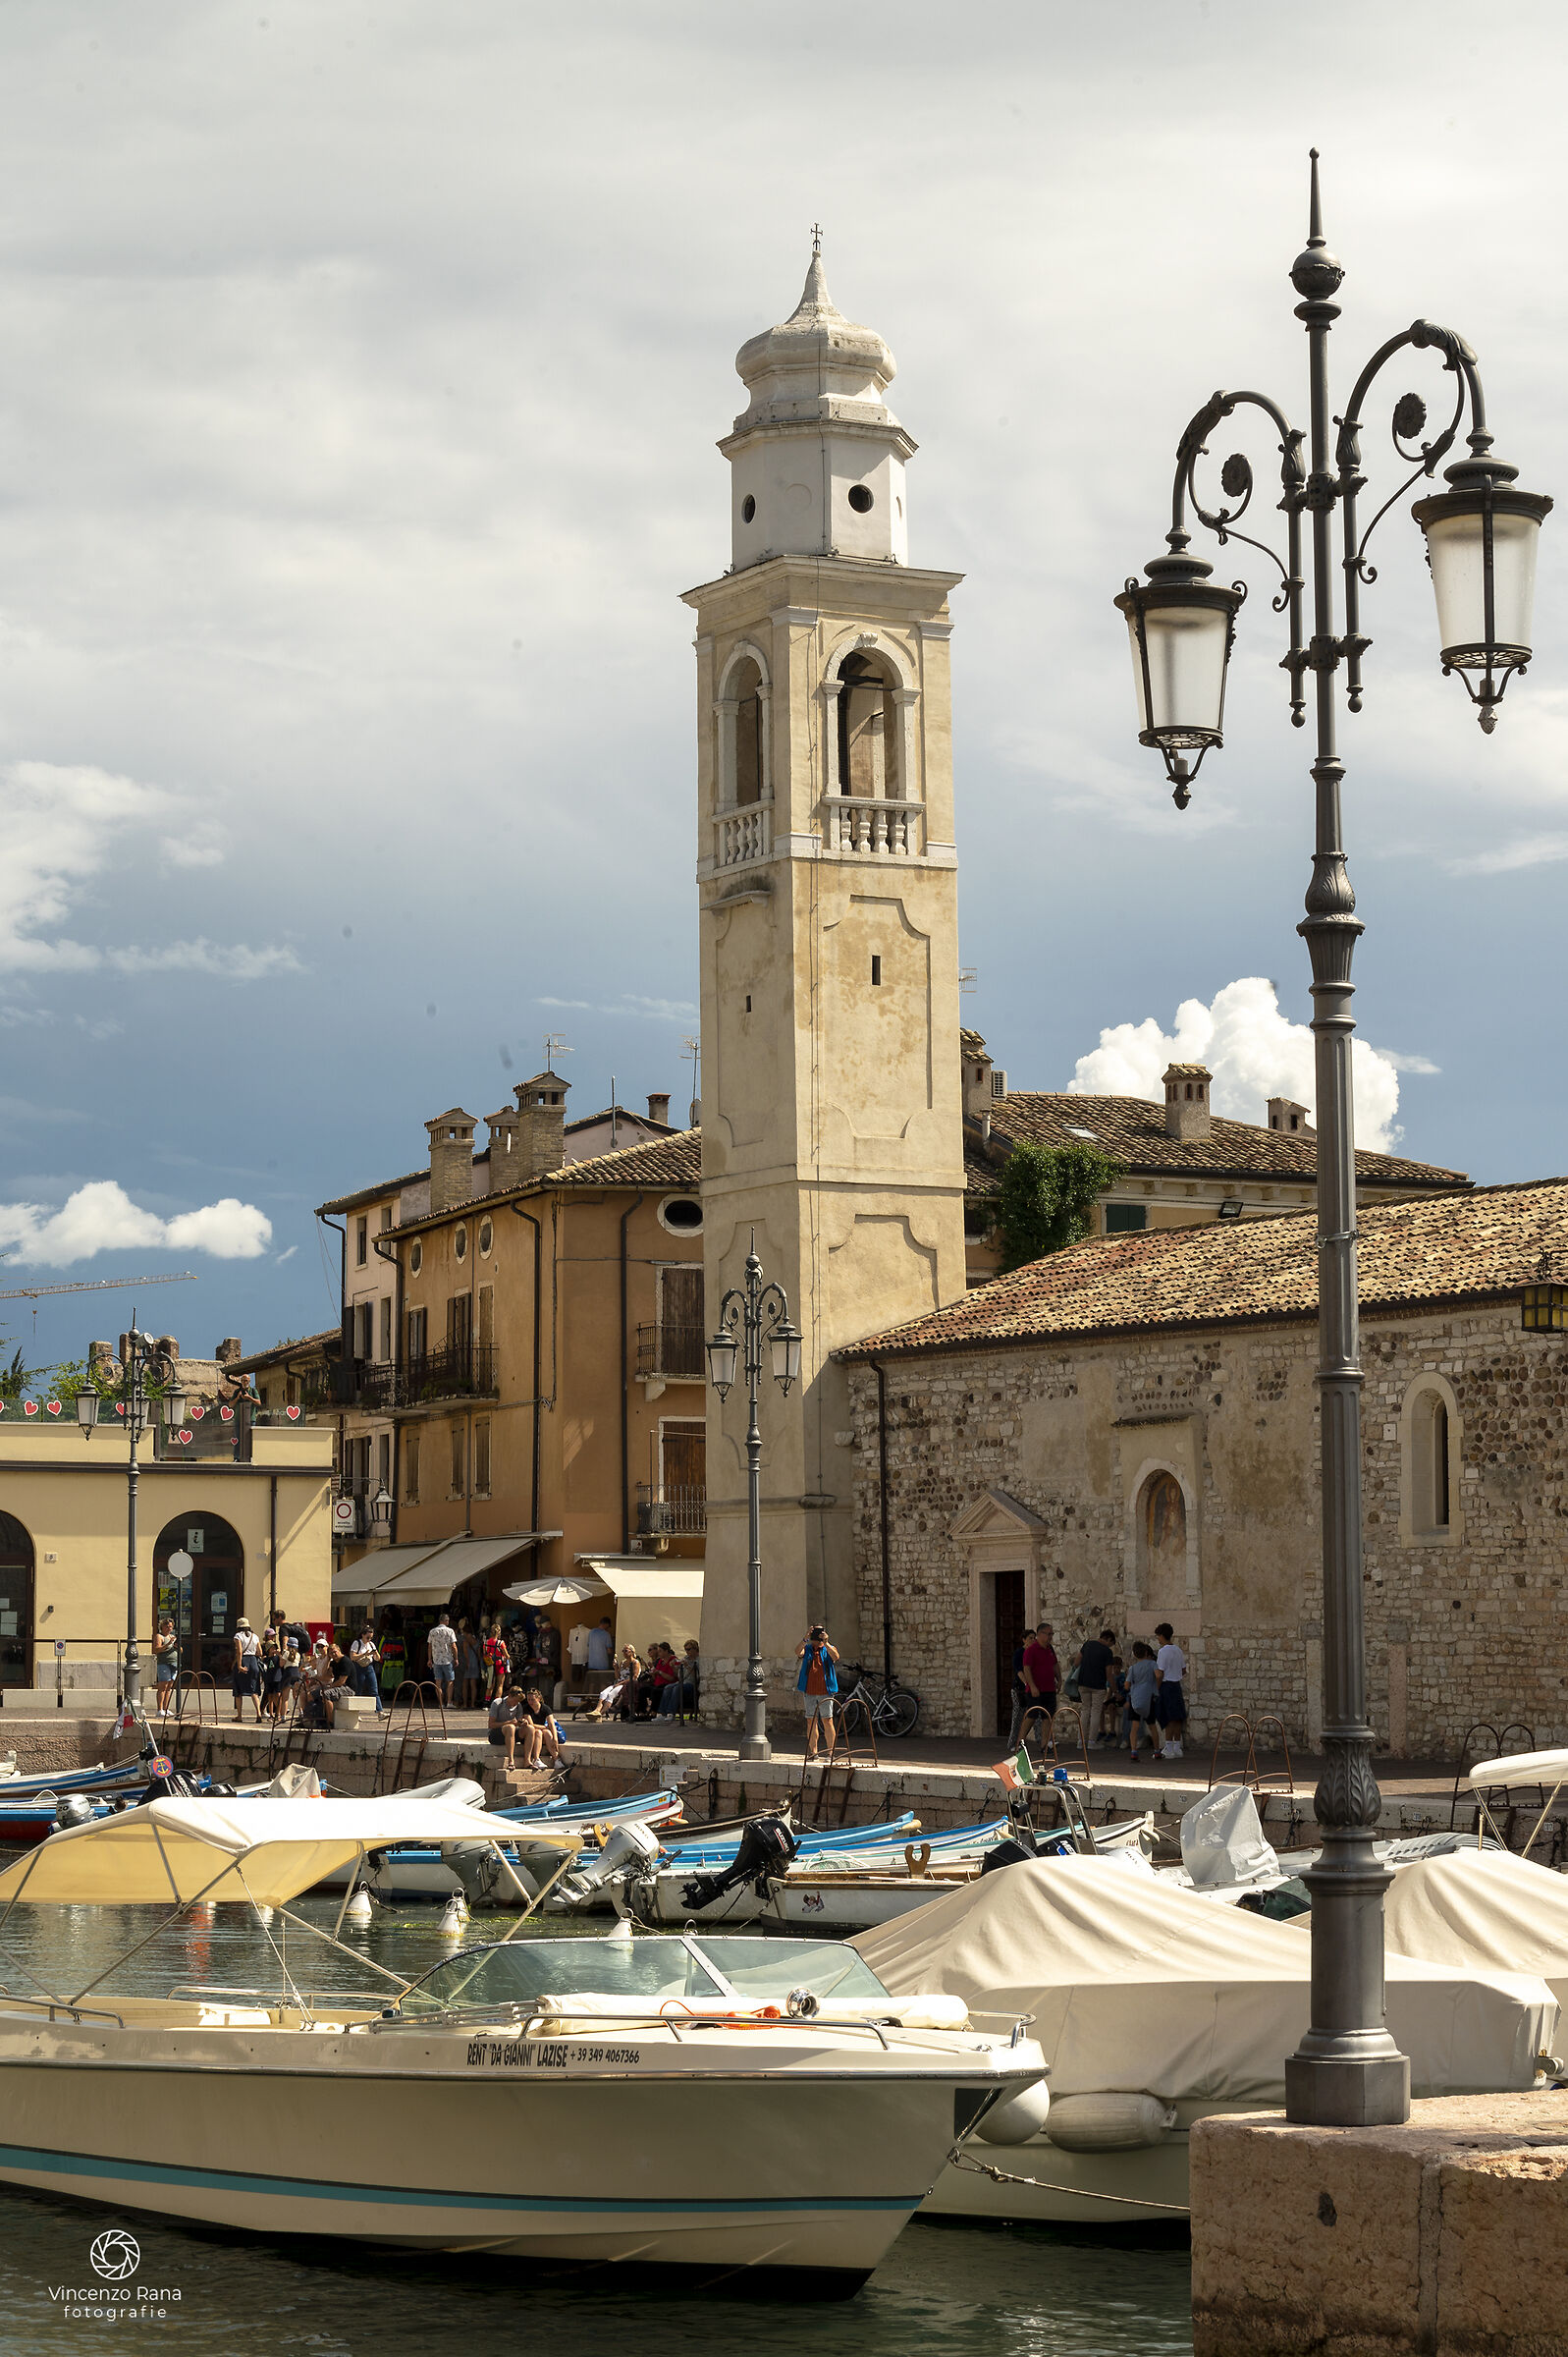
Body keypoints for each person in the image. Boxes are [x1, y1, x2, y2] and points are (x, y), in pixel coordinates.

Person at [795, 1623, 839, 1761]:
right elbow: (798, 1652)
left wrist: (826, 1642)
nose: (816, 1638)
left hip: (825, 1690)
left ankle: (830, 1753)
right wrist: (805, 1637)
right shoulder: (808, 1648)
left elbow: (836, 1656)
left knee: (828, 1720)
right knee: (811, 1720)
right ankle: (813, 1752)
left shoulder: (828, 1648)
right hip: (809, 1690)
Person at [1076, 1626, 1117, 1746]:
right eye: (1111, 1644)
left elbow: (1077, 1662)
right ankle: (1092, 1742)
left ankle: (1080, 1741)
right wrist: (1115, 1690)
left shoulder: (1087, 1644)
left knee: (1085, 1711)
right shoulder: (1107, 1652)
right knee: (1095, 1712)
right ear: (1108, 1639)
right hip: (1098, 1685)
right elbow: (1109, 1674)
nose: (1110, 1647)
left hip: (1083, 1682)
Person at [1019, 1622, 1058, 1743]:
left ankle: (1045, 1745)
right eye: (1048, 1634)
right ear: (1040, 1634)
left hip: (1049, 1689)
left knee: (1048, 1717)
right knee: (1032, 1715)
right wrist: (1032, 1686)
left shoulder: (1050, 1649)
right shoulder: (1031, 1650)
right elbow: (1027, 1668)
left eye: (1052, 1634)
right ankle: (1020, 1743)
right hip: (1035, 1690)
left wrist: (1059, 1679)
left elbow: (1055, 1664)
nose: (1051, 1637)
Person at [1154, 1621, 1187, 1759]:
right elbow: (1184, 1670)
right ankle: (1177, 1747)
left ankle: (1168, 1747)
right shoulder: (1178, 1650)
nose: (1157, 1639)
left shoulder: (1163, 1651)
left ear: (1162, 1635)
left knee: (1168, 1717)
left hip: (1167, 1685)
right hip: (1176, 1685)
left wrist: (1156, 1688)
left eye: (1158, 1636)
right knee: (1178, 1717)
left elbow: (1160, 1673)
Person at [1126, 1642, 1160, 1761]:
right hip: (1148, 1697)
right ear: (1146, 1653)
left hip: (1135, 1698)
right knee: (1152, 1725)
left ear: (1135, 1655)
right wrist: (1156, 1685)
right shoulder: (1152, 1664)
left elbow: (1127, 1684)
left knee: (1134, 1726)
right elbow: (1158, 1675)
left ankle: (1134, 1751)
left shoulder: (1132, 1668)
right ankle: (1156, 1751)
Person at [1005, 1626, 1036, 1751]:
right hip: (1019, 1689)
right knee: (1018, 1716)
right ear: (1024, 1640)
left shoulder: (1035, 1653)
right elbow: (1019, 1670)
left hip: (1031, 1688)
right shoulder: (1019, 1653)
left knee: (1037, 1716)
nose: (1033, 1640)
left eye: (1034, 1638)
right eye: (1030, 1638)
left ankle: (1044, 1742)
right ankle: (1013, 1743)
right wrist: (1026, 1684)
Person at [517, 1686, 563, 1769]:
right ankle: (536, 1758)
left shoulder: (545, 1708)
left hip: (543, 1734)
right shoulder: (526, 1708)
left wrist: (555, 1738)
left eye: (532, 1700)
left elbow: (551, 1724)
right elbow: (531, 1725)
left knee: (548, 1733)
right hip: (532, 1735)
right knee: (538, 1732)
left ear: (538, 1699)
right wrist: (545, 1727)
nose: (530, 1702)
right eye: (529, 1700)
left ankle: (556, 1759)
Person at [658, 1638, 701, 1718]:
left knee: (677, 1688)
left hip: (692, 1684)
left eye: (689, 1649)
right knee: (668, 1687)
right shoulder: (686, 1658)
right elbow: (678, 1674)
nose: (687, 1652)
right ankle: (662, 1713)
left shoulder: (699, 1660)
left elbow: (698, 1676)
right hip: (683, 1682)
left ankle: (671, 1712)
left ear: (695, 1649)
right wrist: (674, 1667)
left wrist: (687, 1666)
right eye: (686, 1650)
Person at [487, 1682, 527, 1767]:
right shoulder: (498, 1703)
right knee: (510, 1727)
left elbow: (518, 1722)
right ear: (509, 1696)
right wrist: (508, 1723)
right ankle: (511, 1760)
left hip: (511, 1732)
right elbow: (491, 1725)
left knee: (530, 1729)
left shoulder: (518, 1706)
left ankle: (528, 1760)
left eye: (518, 1702)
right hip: (496, 1734)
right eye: (515, 1701)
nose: (515, 1703)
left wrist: (522, 1722)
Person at [231, 1617, 262, 1724]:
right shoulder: (255, 1636)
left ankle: (239, 1715)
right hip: (253, 1662)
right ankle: (258, 1713)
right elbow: (260, 1652)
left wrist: (239, 1665)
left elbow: (239, 1651)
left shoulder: (238, 1636)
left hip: (243, 1660)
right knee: (254, 1690)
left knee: (238, 1690)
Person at [426, 1611, 458, 1707]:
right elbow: (454, 1646)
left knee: (438, 1683)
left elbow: (429, 1646)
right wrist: (456, 1658)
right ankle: (449, 1702)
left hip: (436, 1660)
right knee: (450, 1681)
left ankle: (441, 1703)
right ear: (447, 1621)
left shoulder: (432, 1631)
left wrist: (429, 1659)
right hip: (448, 1659)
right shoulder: (450, 1631)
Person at [349, 1625, 382, 1714]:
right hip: (359, 1667)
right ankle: (355, 1712)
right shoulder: (357, 1643)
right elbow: (352, 1657)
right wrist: (364, 1654)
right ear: (363, 1635)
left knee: (374, 1690)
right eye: (368, 1637)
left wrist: (375, 1653)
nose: (369, 1640)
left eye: (371, 1638)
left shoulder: (371, 1644)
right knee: (358, 1690)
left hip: (369, 1667)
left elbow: (377, 1658)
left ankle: (379, 1711)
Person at [152, 1616, 179, 1715]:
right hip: (164, 1664)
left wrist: (177, 1646)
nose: (169, 1629)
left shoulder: (172, 1637)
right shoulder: (159, 1636)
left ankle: (166, 1708)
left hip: (174, 1663)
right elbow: (157, 1649)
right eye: (167, 1626)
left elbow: (180, 1650)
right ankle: (160, 1709)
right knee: (163, 1686)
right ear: (162, 1627)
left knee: (169, 1687)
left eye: (171, 1627)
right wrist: (168, 1644)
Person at [458, 1618, 482, 1711]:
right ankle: (472, 1703)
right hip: (475, 1663)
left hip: (467, 1664)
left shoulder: (465, 1641)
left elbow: (465, 1654)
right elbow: (479, 1654)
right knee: (473, 1684)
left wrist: (467, 1662)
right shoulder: (476, 1640)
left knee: (465, 1684)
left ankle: (464, 1704)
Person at [585, 1617, 615, 1682]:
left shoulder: (591, 1632)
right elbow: (609, 1651)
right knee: (602, 1683)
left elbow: (588, 1645)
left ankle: (591, 1693)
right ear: (606, 1624)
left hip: (592, 1663)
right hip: (602, 1664)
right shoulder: (606, 1634)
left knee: (592, 1684)